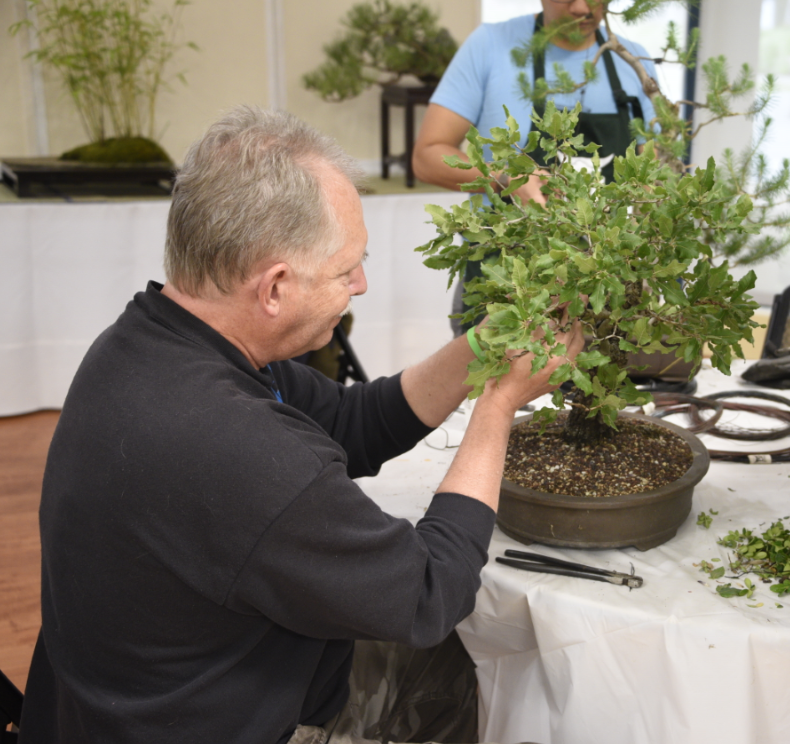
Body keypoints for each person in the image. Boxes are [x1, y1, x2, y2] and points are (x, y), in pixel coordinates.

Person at [19, 105, 583, 744]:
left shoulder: (148, 342)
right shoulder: (238, 450)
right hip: (219, 726)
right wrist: (498, 406)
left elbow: (354, 419)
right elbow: (428, 593)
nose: (362, 285)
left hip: (111, 706)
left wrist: (488, 345)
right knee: (492, 678)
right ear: (275, 288)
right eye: (347, 270)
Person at [412, 0, 658, 332]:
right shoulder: (491, 45)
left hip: (604, 293)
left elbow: (653, 178)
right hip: (507, 286)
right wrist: (506, 176)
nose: (581, 8)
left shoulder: (633, 61)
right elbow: (427, 156)